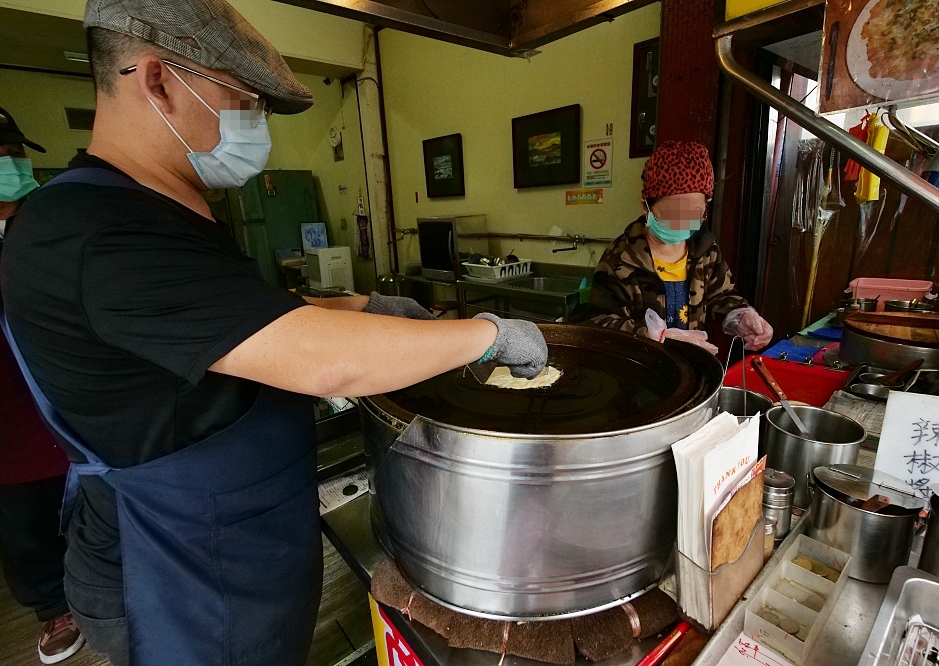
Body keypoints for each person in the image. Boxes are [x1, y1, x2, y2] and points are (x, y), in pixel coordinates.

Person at [0, 1, 547, 665]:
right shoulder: (95, 233)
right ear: (157, 80)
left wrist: (365, 304)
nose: (253, 123)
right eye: (241, 99)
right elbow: (320, 361)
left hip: (227, 544)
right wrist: (490, 332)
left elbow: (245, 317)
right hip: (173, 572)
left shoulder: (154, 211)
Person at [0, 106, 85, 664]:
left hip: (75, 402)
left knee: (92, 506)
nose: (11, 164)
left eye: (14, 153)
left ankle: (103, 585)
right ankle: (55, 607)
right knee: (25, 522)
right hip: (11, 418)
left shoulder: (51, 219)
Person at [590, 141, 773, 353]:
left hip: (693, 369)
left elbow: (721, 296)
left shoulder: (705, 250)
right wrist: (651, 336)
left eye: (693, 211)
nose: (682, 221)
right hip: (642, 370)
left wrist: (741, 316)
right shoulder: (620, 259)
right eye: (672, 211)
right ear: (645, 206)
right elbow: (598, 325)